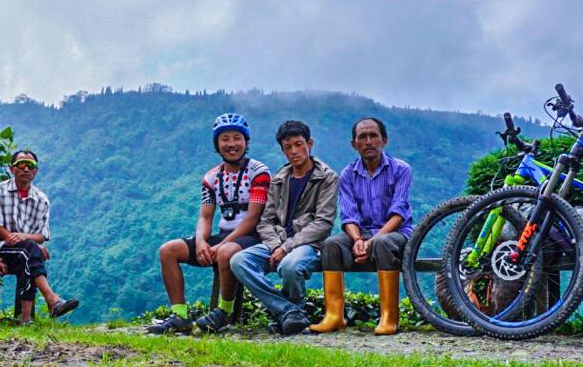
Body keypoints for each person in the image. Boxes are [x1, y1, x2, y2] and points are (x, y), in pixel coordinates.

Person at [148, 113, 270, 335]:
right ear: (217, 143)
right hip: (222, 236)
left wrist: (220, 245)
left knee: (225, 252)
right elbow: (206, 216)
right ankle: (180, 316)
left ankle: (223, 312)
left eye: (237, 138)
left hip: (252, 236)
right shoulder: (211, 177)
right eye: (225, 139)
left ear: (246, 142)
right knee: (168, 251)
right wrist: (202, 242)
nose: (231, 144)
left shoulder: (258, 172)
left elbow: (253, 218)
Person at [229, 120, 338, 335]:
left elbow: (323, 223)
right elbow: (265, 221)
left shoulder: (327, 177)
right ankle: (290, 311)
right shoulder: (279, 179)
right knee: (239, 260)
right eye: (287, 147)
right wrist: (275, 245)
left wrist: (286, 247)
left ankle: (288, 313)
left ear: (310, 143)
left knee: (290, 265)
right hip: (275, 243)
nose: (294, 151)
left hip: (308, 244)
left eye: (298, 144)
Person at [311, 117, 413, 335]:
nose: (368, 141)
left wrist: (372, 241)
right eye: (362, 137)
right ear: (353, 144)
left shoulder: (401, 169)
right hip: (361, 233)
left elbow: (399, 214)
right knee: (331, 245)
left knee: (384, 243)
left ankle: (389, 317)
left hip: (395, 233)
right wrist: (358, 240)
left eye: (373, 136)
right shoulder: (348, 174)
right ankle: (334, 315)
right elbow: (349, 216)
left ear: (384, 140)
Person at [0, 149, 79, 324]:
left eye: (30, 166)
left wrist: (24, 238)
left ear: (36, 171)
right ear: (12, 169)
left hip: (25, 249)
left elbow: (42, 235)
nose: (26, 169)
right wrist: (24, 241)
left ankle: (26, 317)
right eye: (21, 165)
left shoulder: (41, 199)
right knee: (33, 251)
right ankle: (50, 301)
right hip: (1, 247)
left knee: (30, 253)